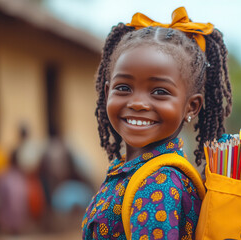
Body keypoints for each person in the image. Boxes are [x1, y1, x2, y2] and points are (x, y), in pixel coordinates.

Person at [81, 7, 232, 239]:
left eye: (160, 91)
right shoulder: (131, 171)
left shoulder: (159, 185)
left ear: (191, 106)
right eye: (123, 88)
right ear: (107, 91)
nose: (138, 103)